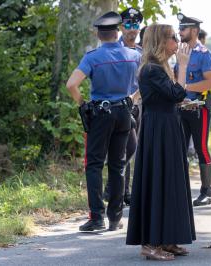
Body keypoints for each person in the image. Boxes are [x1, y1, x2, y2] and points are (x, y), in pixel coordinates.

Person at [126, 24, 196, 261]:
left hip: (167, 127)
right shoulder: (152, 70)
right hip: (159, 130)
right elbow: (177, 93)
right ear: (160, 41)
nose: (177, 42)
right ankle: (150, 243)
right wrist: (183, 66)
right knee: (158, 180)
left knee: (171, 181)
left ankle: (166, 238)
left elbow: (171, 97)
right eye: (173, 38)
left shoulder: (159, 68)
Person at [66, 11, 140, 232]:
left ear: (99, 35)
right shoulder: (133, 56)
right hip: (124, 114)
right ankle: (115, 219)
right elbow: (143, 85)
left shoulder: (93, 57)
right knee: (118, 166)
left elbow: (71, 84)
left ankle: (96, 217)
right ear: (118, 31)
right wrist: (131, 100)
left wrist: (82, 103)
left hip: (101, 114)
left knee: (95, 165)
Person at [103, 7, 144, 206]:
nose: (132, 29)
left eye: (135, 25)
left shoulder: (142, 53)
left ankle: (127, 192)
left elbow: (146, 81)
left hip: (138, 104)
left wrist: (136, 98)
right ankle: (117, 188)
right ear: (121, 26)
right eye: (128, 24)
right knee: (123, 148)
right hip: (118, 106)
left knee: (134, 148)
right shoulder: (112, 49)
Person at [176, 13, 211, 207]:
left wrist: (185, 88)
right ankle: (180, 190)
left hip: (200, 108)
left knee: (201, 148)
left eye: (183, 28)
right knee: (180, 149)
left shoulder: (204, 54)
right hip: (182, 108)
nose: (180, 31)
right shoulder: (180, 52)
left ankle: (206, 192)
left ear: (194, 31)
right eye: (180, 28)